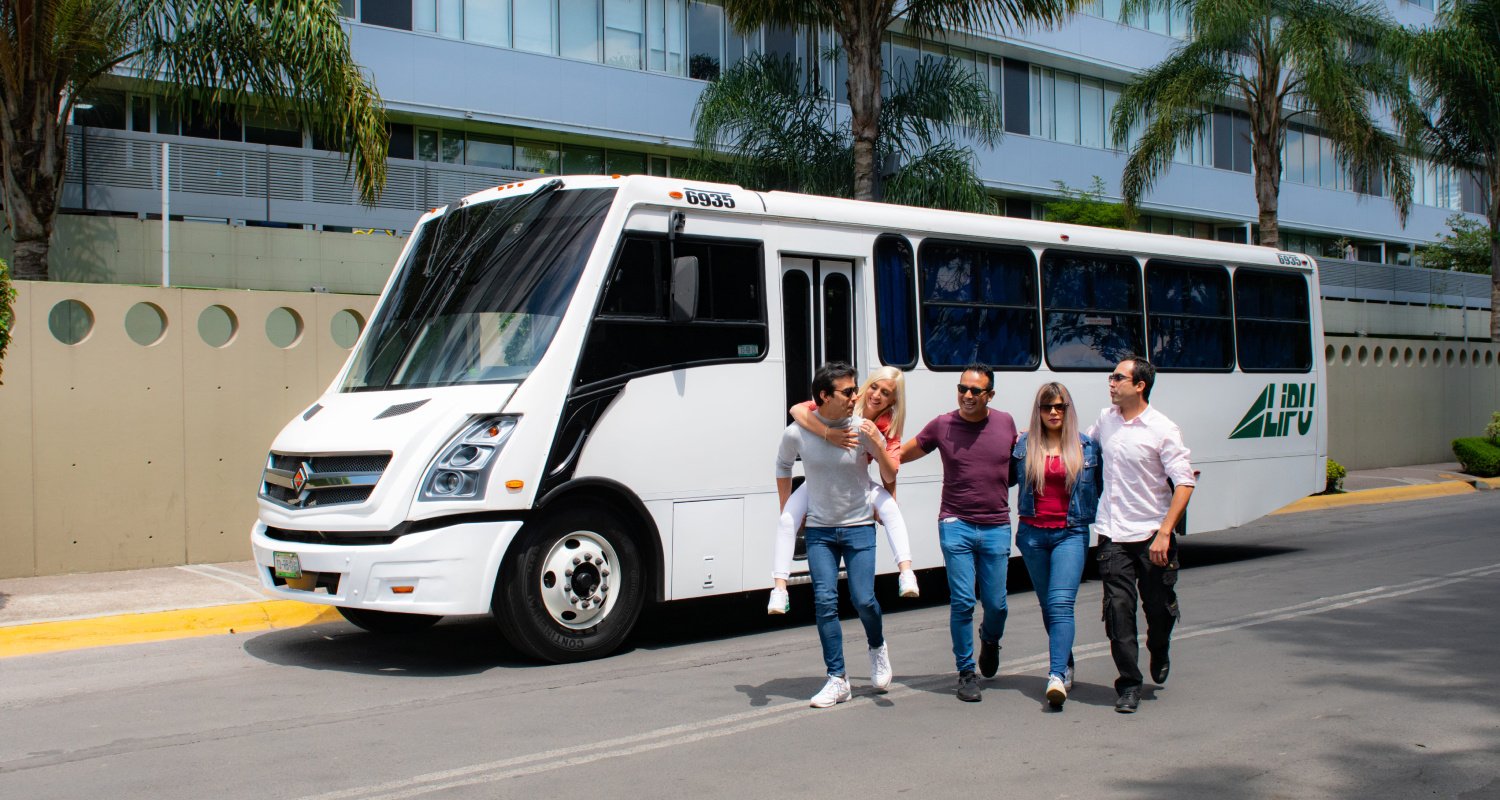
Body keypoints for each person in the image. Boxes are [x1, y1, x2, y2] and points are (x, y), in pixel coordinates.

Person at [775, 362, 898, 708]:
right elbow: (782, 464)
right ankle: (837, 679)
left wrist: (880, 446)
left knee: (863, 599)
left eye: (855, 389)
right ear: (824, 397)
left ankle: (877, 647)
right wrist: (788, 509)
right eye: (848, 392)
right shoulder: (799, 431)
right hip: (820, 532)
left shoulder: (863, 428)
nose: (856, 397)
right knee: (825, 603)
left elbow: (889, 472)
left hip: (859, 527)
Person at [900, 364, 1017, 703]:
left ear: (989, 395)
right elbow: (902, 453)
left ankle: (990, 640)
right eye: (962, 388)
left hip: (996, 524)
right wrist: (870, 453)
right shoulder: (943, 425)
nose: (967, 395)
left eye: (975, 391)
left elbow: (1016, 460)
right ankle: (966, 672)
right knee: (963, 601)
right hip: (956, 524)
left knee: (997, 605)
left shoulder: (1005, 422)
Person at [1087, 356, 1195, 714]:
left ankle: (1160, 645)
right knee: (1118, 612)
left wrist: (1165, 532)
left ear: (1139, 385)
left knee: (1158, 608)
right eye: (1112, 377)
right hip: (1112, 532)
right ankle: (1129, 684)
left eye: (1118, 377)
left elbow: (1184, 482)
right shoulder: (1106, 420)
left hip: (1152, 534)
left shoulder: (1163, 429)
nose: (1111, 382)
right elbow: (1083, 448)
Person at [769, 366, 917, 614]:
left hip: (856, 480)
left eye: (886, 392)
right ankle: (779, 589)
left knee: (892, 509)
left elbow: (889, 471)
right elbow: (797, 409)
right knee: (786, 520)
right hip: (818, 481)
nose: (877, 395)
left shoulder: (886, 424)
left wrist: (889, 495)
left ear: (893, 400)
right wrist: (829, 434)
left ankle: (906, 573)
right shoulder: (847, 402)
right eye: (874, 387)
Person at [1010, 382, 1102, 709]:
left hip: (1070, 534)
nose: (1053, 412)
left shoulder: (1087, 447)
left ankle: (1055, 676)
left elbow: (1101, 487)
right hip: (1033, 536)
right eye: (1047, 407)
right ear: (1038, 412)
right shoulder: (1022, 445)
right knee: (1048, 605)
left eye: (1059, 407)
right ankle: (1067, 660)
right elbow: (999, 477)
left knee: (1061, 603)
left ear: (1068, 410)